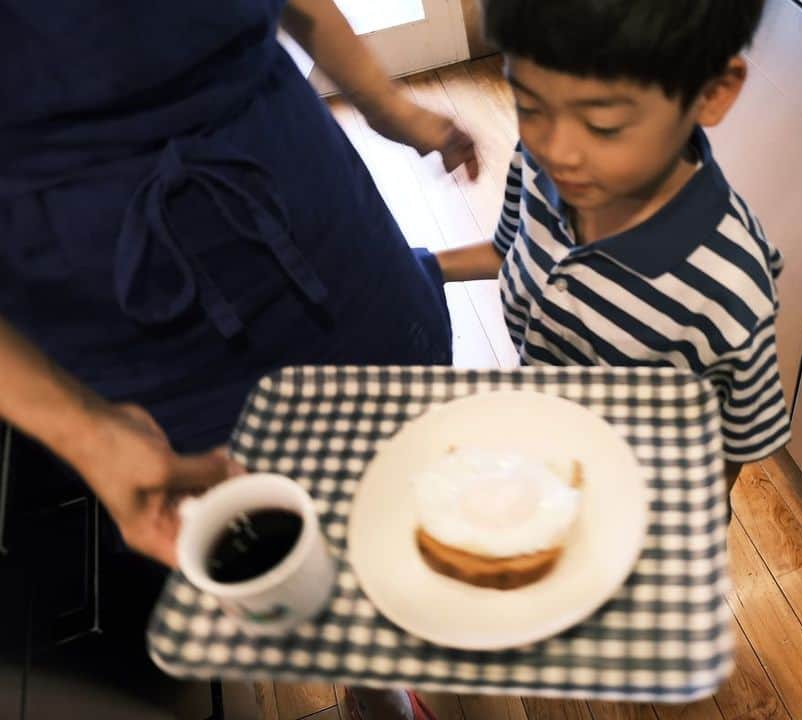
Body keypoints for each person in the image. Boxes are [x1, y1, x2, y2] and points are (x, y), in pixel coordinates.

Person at [0, 1, 475, 717]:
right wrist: (86, 435)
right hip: (103, 307)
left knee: (393, 462)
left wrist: (386, 104)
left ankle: (373, 678)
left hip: (305, 202)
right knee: (242, 540)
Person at [436, 0, 791, 490]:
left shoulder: (727, 286)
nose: (557, 152)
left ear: (711, 91)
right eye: (530, 106)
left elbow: (734, 445)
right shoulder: (538, 168)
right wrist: (422, 267)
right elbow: (507, 250)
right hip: (542, 451)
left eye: (603, 126)